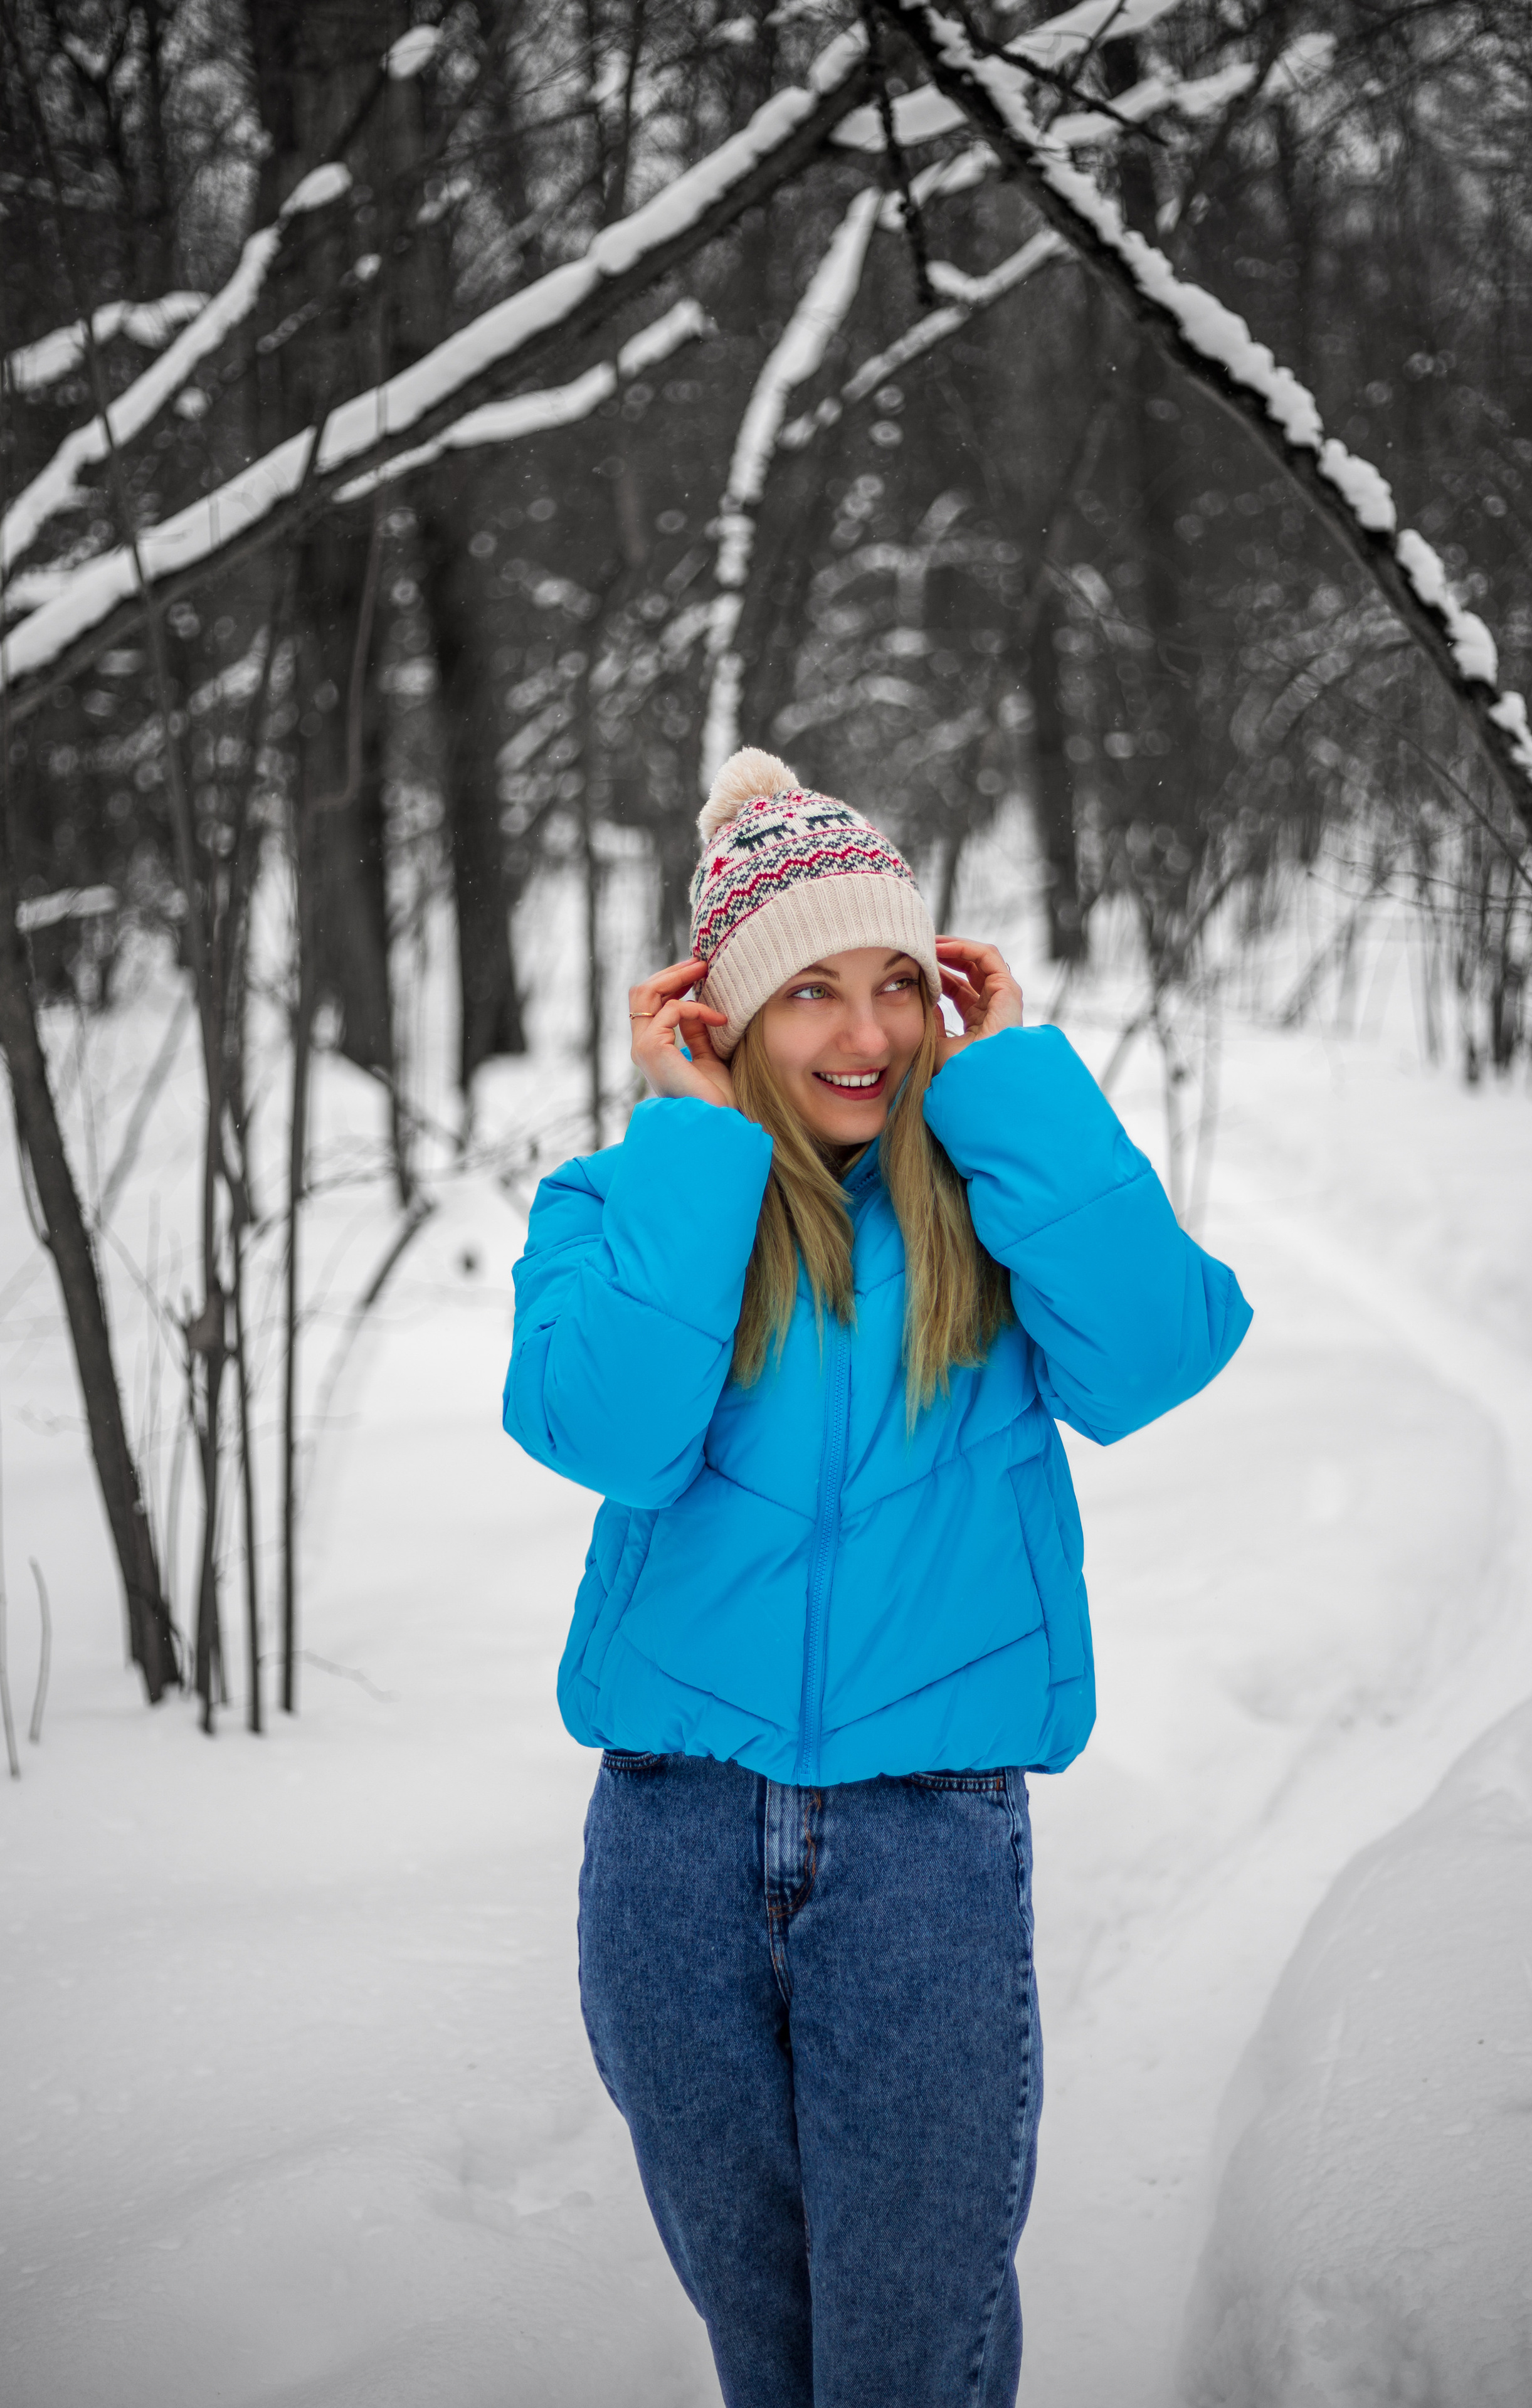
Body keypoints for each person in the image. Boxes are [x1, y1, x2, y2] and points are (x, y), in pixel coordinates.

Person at [502, 748, 1251, 2408]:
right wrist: (693, 1152)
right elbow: (604, 1434)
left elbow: (1157, 1354)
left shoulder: (992, 1207)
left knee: (912, 2350)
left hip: (927, 1844)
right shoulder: (622, 1203)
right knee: (766, 2345)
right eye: (810, 994)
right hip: (673, 1844)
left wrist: (1022, 1088)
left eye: (896, 986)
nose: (864, 1036)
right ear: (725, 1017)